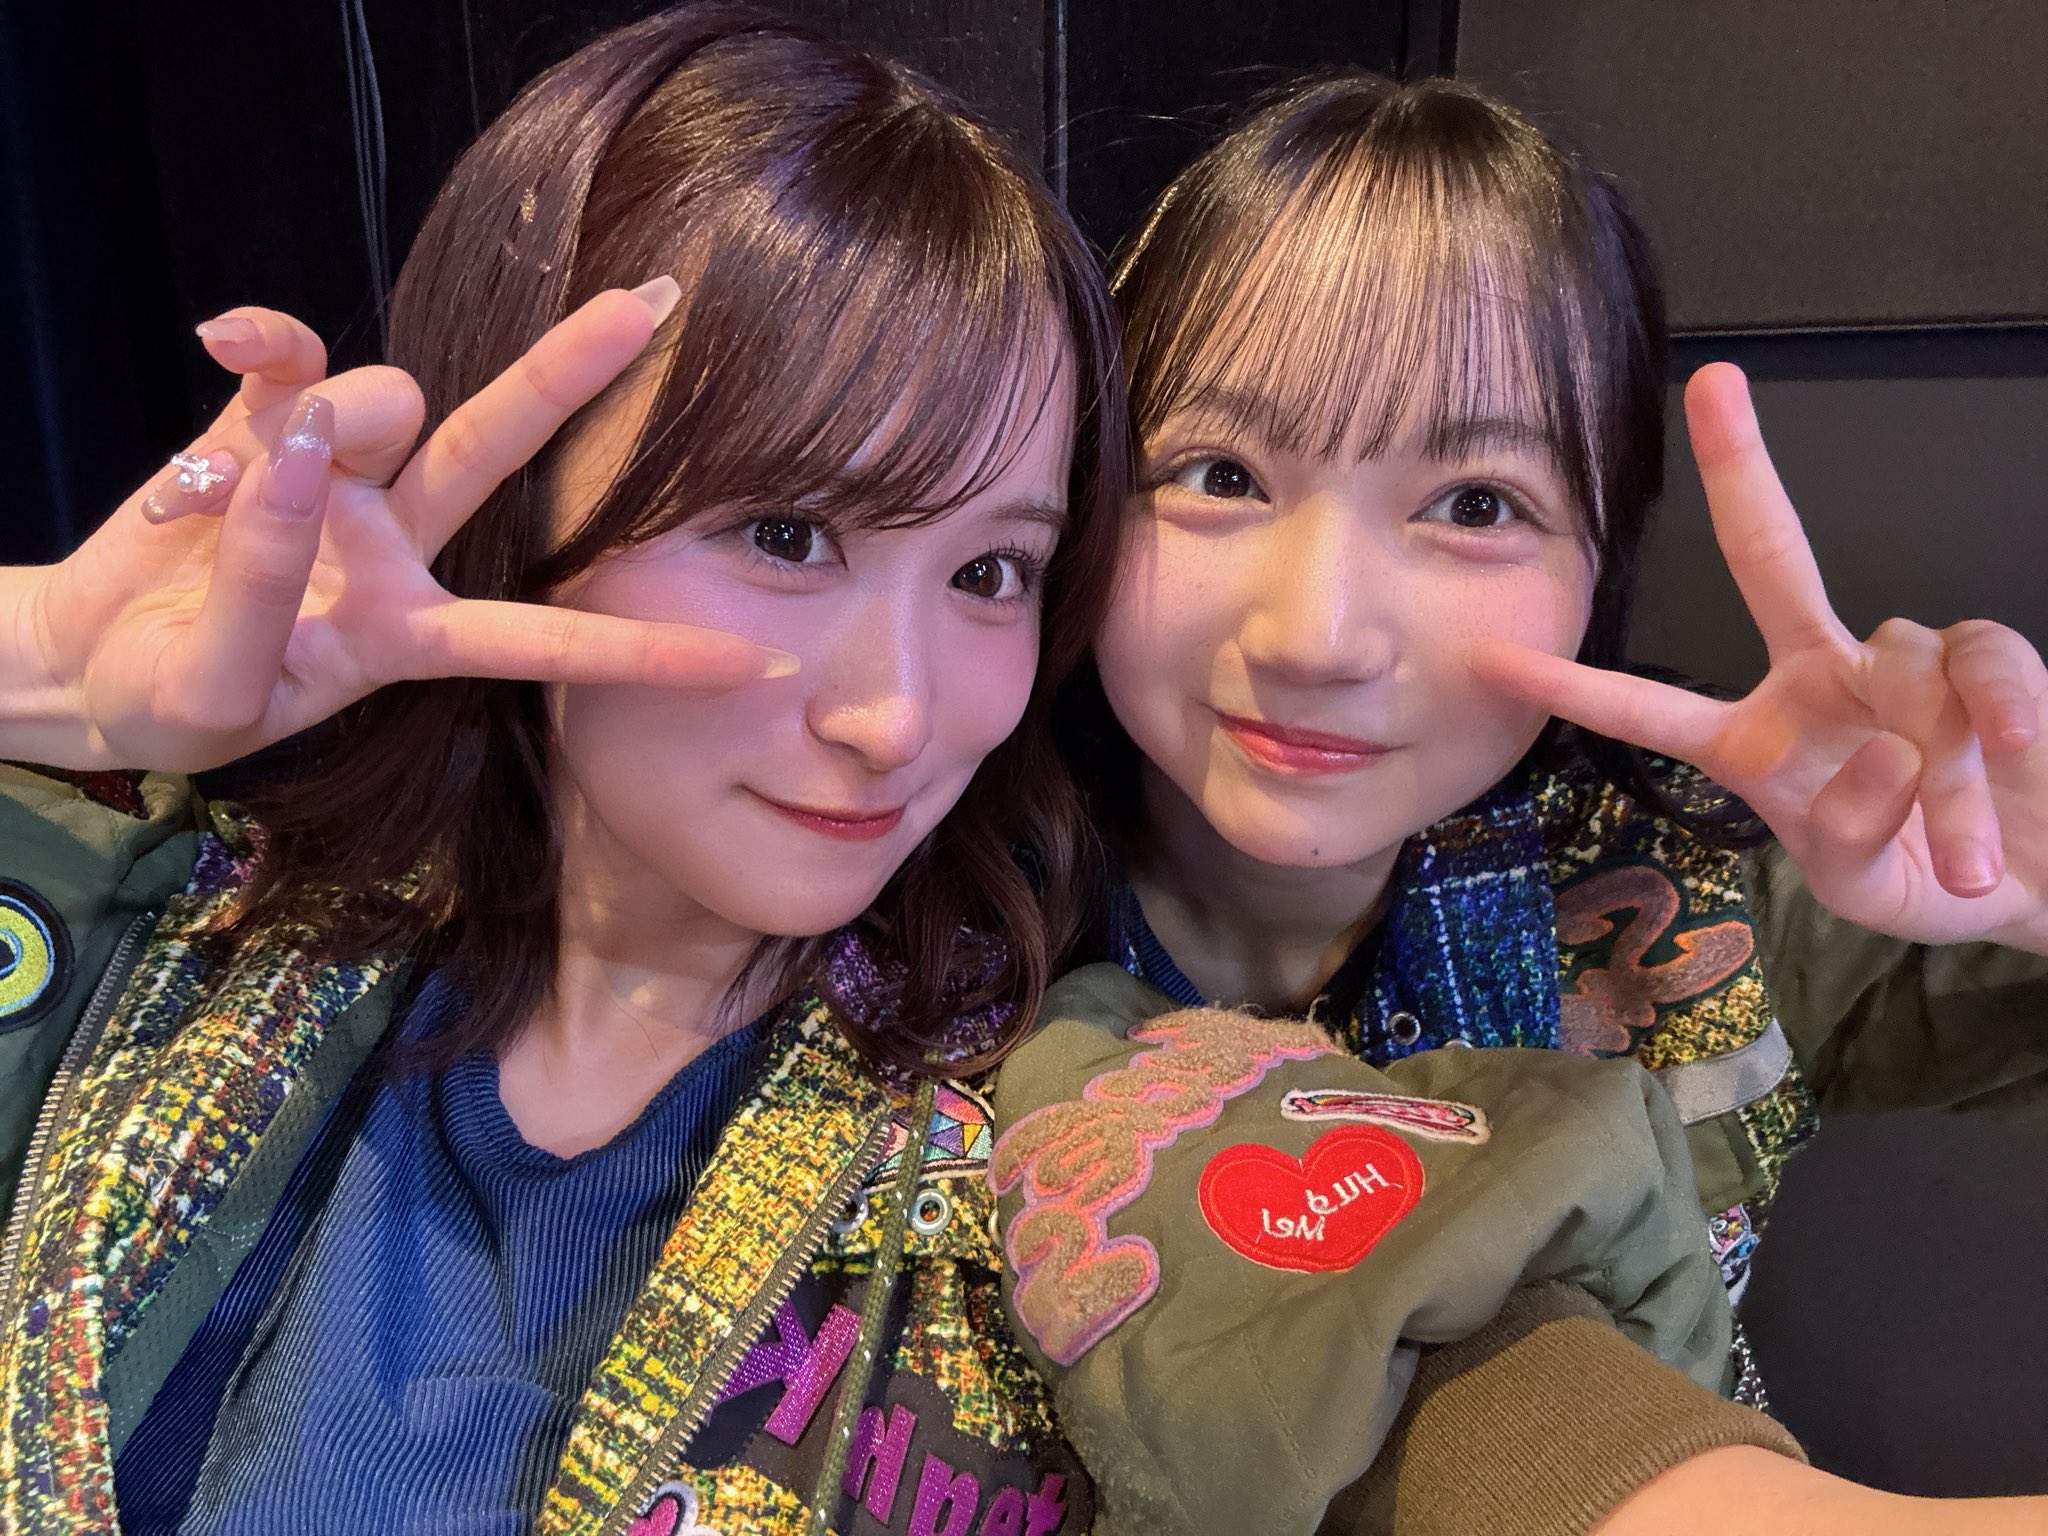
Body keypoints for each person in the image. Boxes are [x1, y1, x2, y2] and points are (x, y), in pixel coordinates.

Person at [0, 6, 1132, 1530]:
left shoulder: (1066, 1155)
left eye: (992, 573)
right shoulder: (140, 956)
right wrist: (44, 667)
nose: (897, 718)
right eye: (788, 535)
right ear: (514, 509)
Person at [988, 68, 2048, 1536]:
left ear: (1598, 571)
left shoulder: (1713, 882)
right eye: (1219, 474)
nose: (1317, 637)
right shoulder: (940, 934)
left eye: (1475, 504)